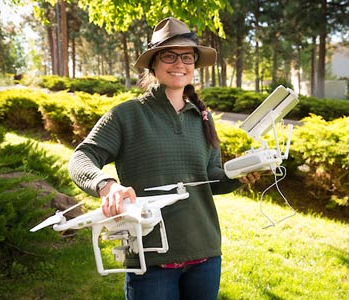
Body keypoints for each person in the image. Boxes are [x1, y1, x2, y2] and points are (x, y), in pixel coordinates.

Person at [68, 17, 262, 300]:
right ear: (153, 64)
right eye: (169, 55)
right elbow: (82, 157)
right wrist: (107, 185)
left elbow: (212, 179)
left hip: (204, 252)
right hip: (150, 257)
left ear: (194, 64)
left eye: (187, 56)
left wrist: (239, 175)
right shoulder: (127, 115)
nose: (179, 64)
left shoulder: (202, 118)